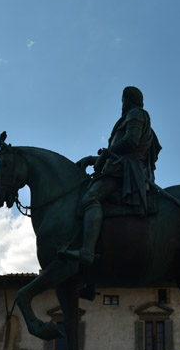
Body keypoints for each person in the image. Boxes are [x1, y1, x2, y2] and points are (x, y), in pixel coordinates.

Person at [63, 86, 161, 266]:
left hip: (124, 172)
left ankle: (86, 251)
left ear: (127, 100)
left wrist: (107, 154)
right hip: (119, 168)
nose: (121, 105)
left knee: (90, 198)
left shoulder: (135, 114)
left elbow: (131, 141)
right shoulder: (131, 117)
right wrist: (92, 159)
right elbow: (118, 151)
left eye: (122, 101)